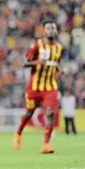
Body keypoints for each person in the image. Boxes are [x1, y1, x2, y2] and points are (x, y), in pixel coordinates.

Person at [13, 19, 63, 154]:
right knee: (29, 112)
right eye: (48, 28)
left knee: (51, 112)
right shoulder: (36, 45)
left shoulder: (59, 48)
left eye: (53, 28)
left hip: (50, 86)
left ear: (56, 30)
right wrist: (37, 62)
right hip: (34, 87)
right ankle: (18, 133)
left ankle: (46, 144)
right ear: (44, 30)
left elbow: (56, 63)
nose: (51, 31)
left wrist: (60, 70)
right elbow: (25, 63)